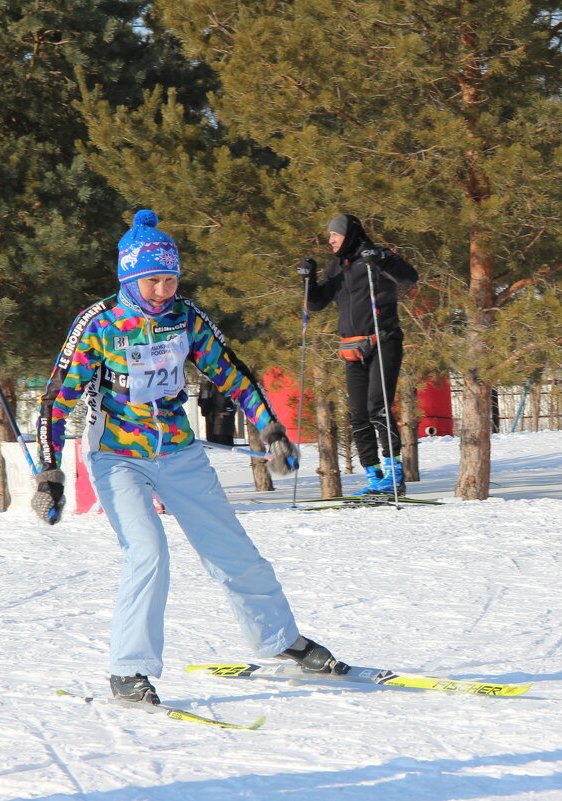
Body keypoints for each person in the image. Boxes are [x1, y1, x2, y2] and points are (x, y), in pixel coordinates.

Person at [33, 209, 349, 706]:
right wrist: (49, 473)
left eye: (170, 279)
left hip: (179, 451)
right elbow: (56, 400)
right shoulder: (98, 325)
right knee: (148, 551)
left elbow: (232, 373)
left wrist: (270, 428)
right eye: (153, 281)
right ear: (130, 279)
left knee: (232, 548)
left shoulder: (185, 316)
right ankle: (128, 670)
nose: (163, 291)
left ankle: (281, 639)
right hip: (117, 458)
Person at [298, 214, 418, 496]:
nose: (330, 241)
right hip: (352, 348)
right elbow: (316, 304)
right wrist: (308, 280)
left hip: (383, 340)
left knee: (378, 407)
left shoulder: (376, 257)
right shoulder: (337, 267)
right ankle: (374, 477)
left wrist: (381, 259)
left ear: (348, 234)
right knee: (358, 416)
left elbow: (409, 279)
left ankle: (394, 474)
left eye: (334, 235)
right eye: (329, 236)